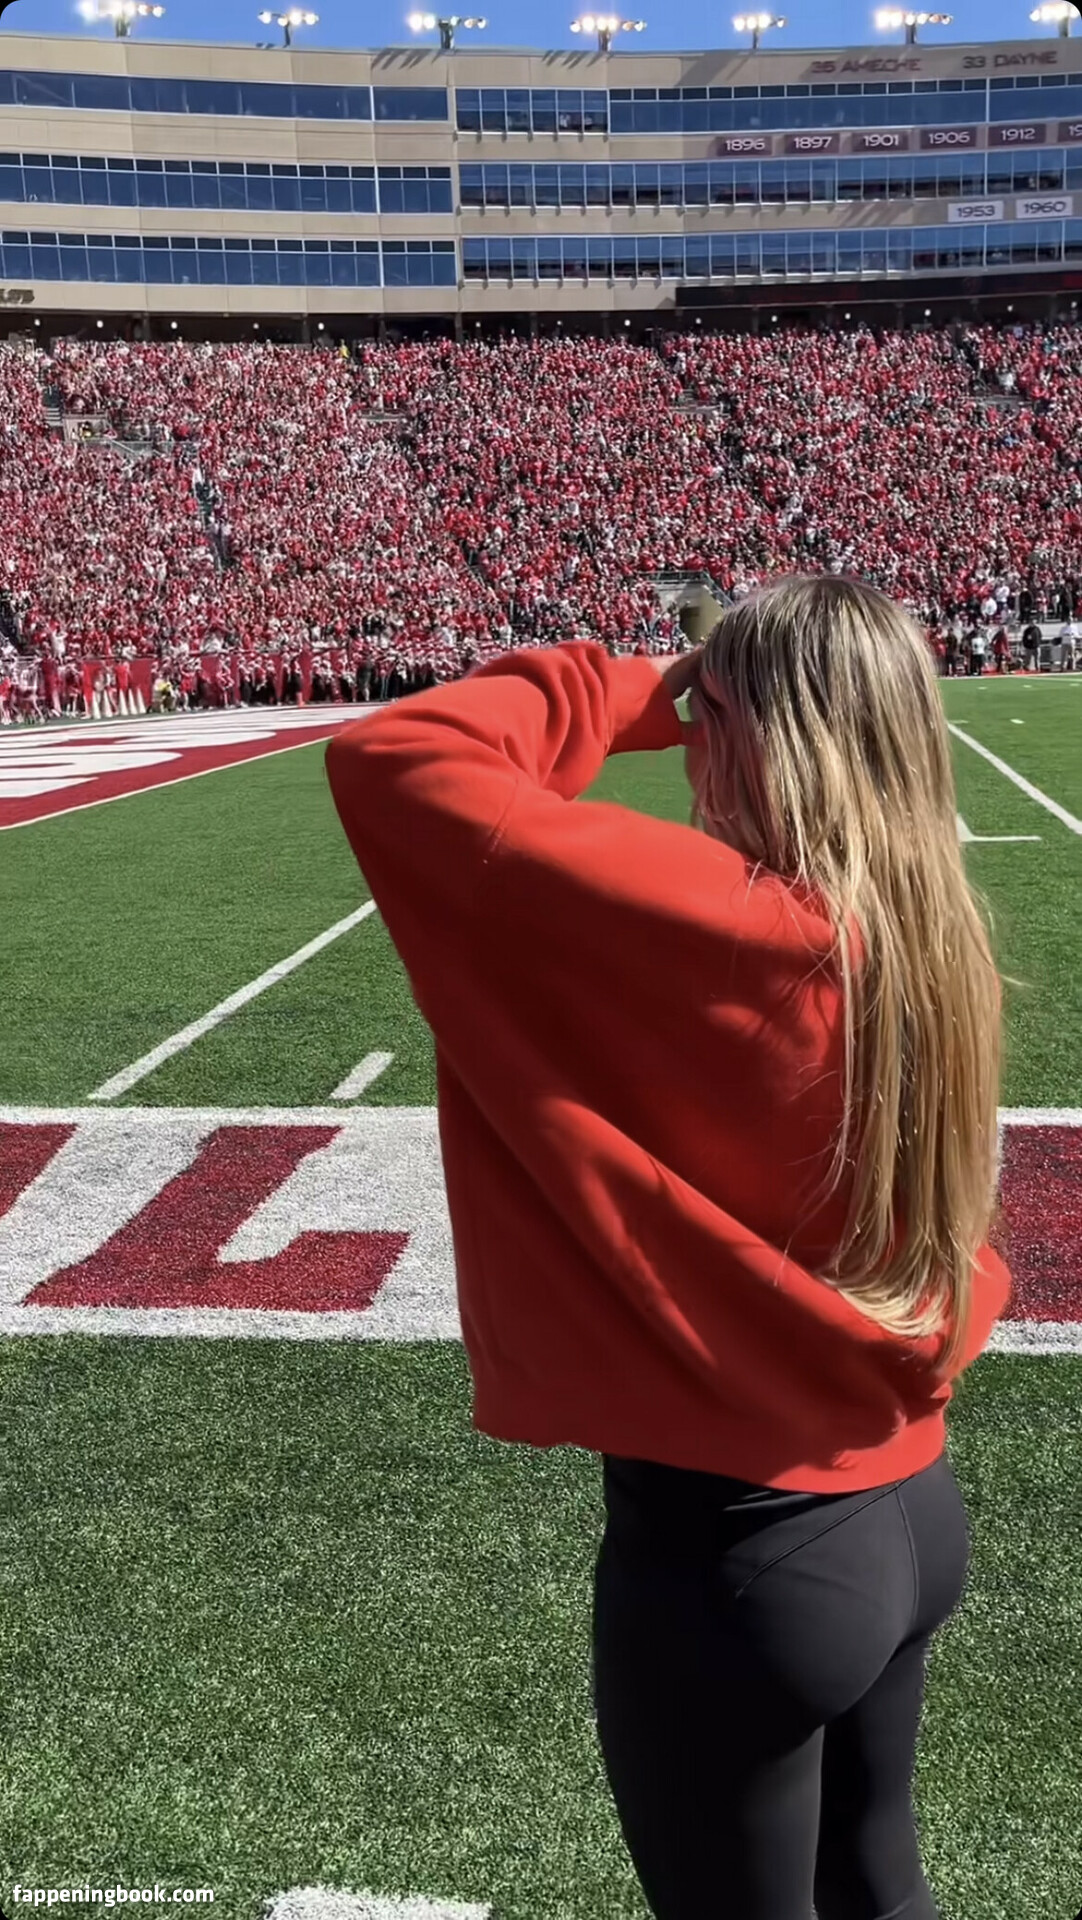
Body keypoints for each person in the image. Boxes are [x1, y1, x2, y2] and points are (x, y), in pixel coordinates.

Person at [325, 575, 1010, 1920]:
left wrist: (633, 685)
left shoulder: (722, 919)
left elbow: (394, 753)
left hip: (737, 1551)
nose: (690, 740)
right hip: (906, 1505)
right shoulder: (929, 930)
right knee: (880, 1883)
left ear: (756, 732)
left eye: (709, 716)